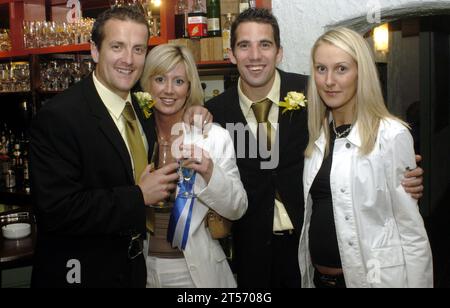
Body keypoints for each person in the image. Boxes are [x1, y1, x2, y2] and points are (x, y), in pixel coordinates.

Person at [205, 8, 425, 288]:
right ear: (232, 53)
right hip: (251, 254)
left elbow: (360, 130)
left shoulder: (314, 91)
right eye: (244, 45)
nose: (255, 55)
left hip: (306, 249)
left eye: (265, 44)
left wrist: (400, 172)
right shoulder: (214, 112)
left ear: (279, 52)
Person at [29, 6, 207, 288]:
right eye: (117, 47)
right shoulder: (60, 116)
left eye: (138, 49)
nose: (128, 59)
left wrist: (193, 110)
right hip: (81, 272)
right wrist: (138, 196)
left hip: (134, 269)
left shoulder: (140, 106)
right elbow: (57, 210)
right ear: (95, 51)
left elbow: (173, 106)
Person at [299, 27, 433, 288]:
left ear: (361, 73)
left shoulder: (390, 135)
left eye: (341, 69)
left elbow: (411, 231)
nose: (329, 81)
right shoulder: (319, 136)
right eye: (321, 69)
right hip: (319, 280)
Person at [139, 44, 247, 288]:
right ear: (147, 83)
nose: (168, 90)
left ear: (189, 88)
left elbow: (238, 207)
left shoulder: (212, 137)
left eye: (178, 81)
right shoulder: (135, 134)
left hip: (195, 271)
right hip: (140, 268)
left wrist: (210, 172)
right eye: (159, 79)